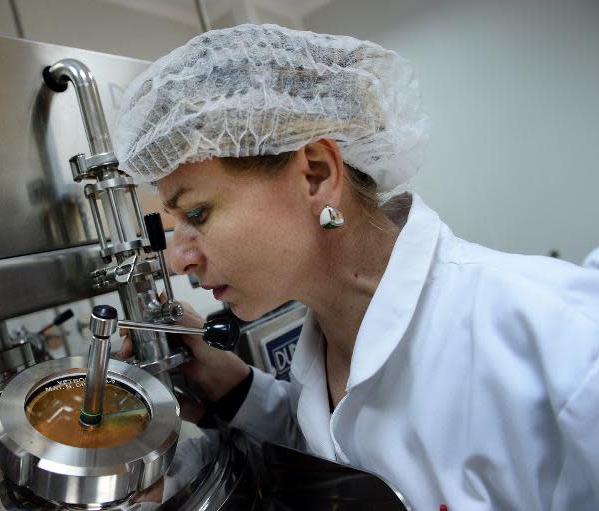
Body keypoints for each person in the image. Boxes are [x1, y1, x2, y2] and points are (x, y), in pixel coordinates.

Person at [113, 24, 599, 510]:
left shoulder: (562, 343)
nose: (179, 258)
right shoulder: (327, 340)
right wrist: (232, 384)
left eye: (196, 214)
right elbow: (346, 454)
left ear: (316, 174)